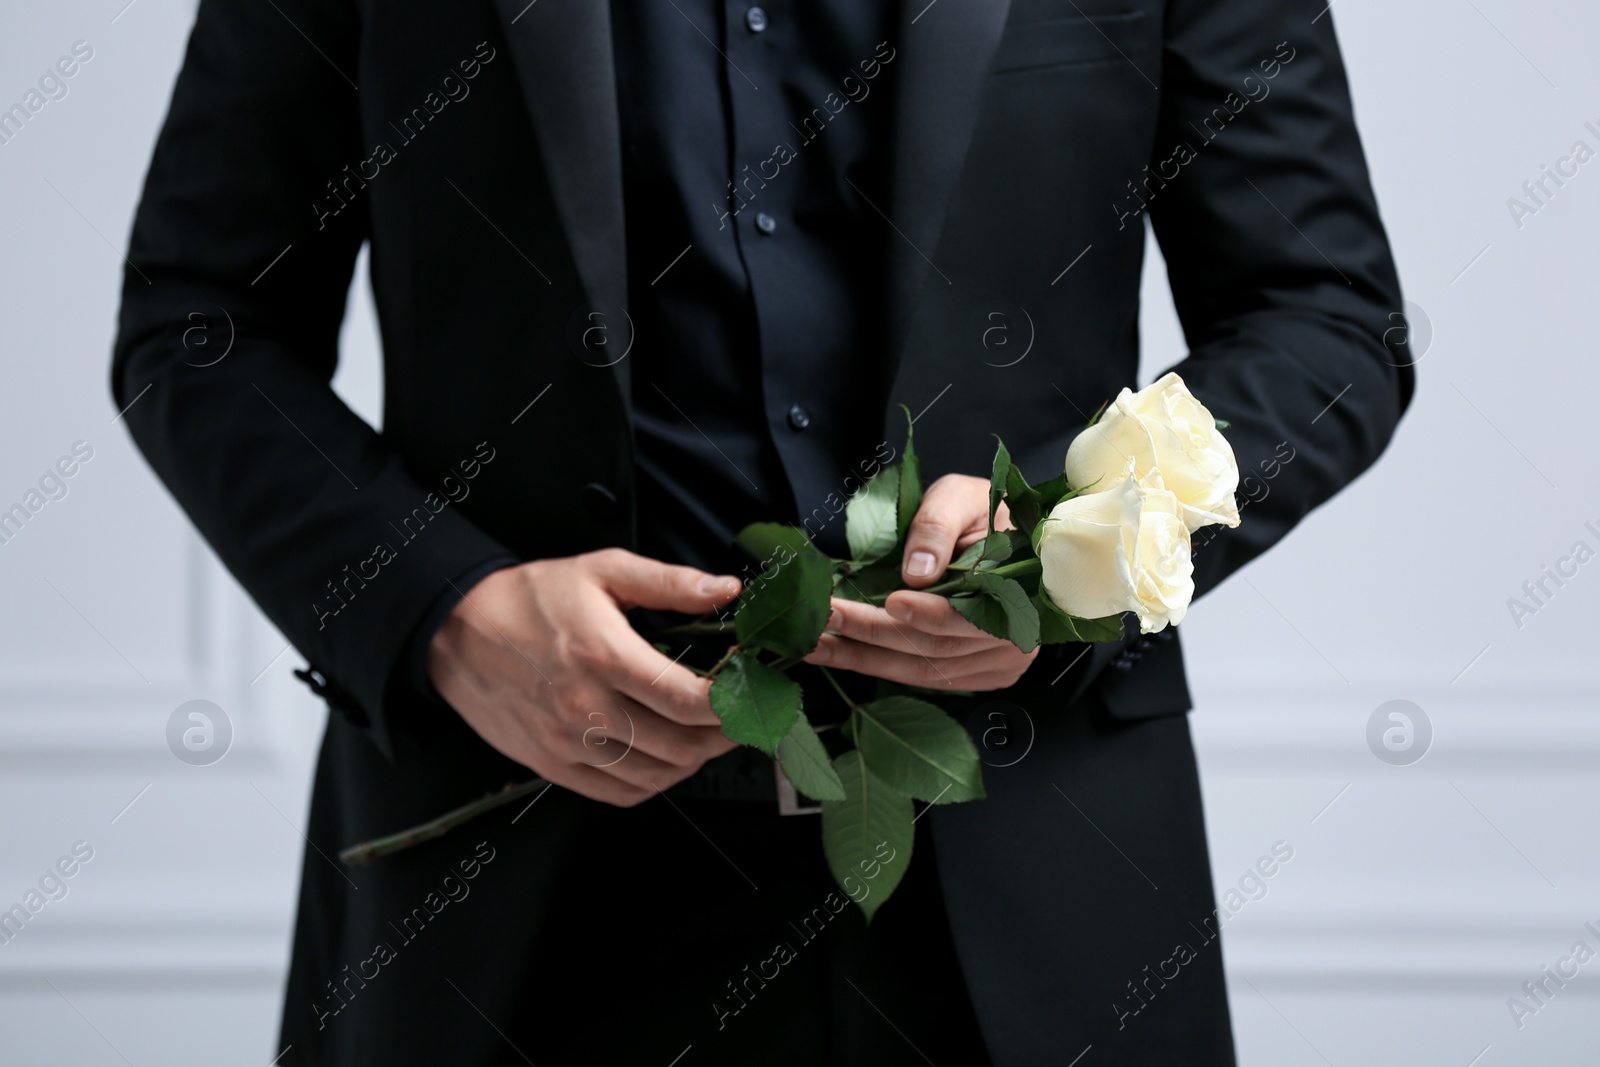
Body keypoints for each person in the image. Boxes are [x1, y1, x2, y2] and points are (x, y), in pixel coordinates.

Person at [112, 0, 1411, 1063]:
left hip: (1038, 876)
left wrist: (1072, 557)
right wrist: (444, 611)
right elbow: (199, 324)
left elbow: (1326, 320)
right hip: (517, 896)